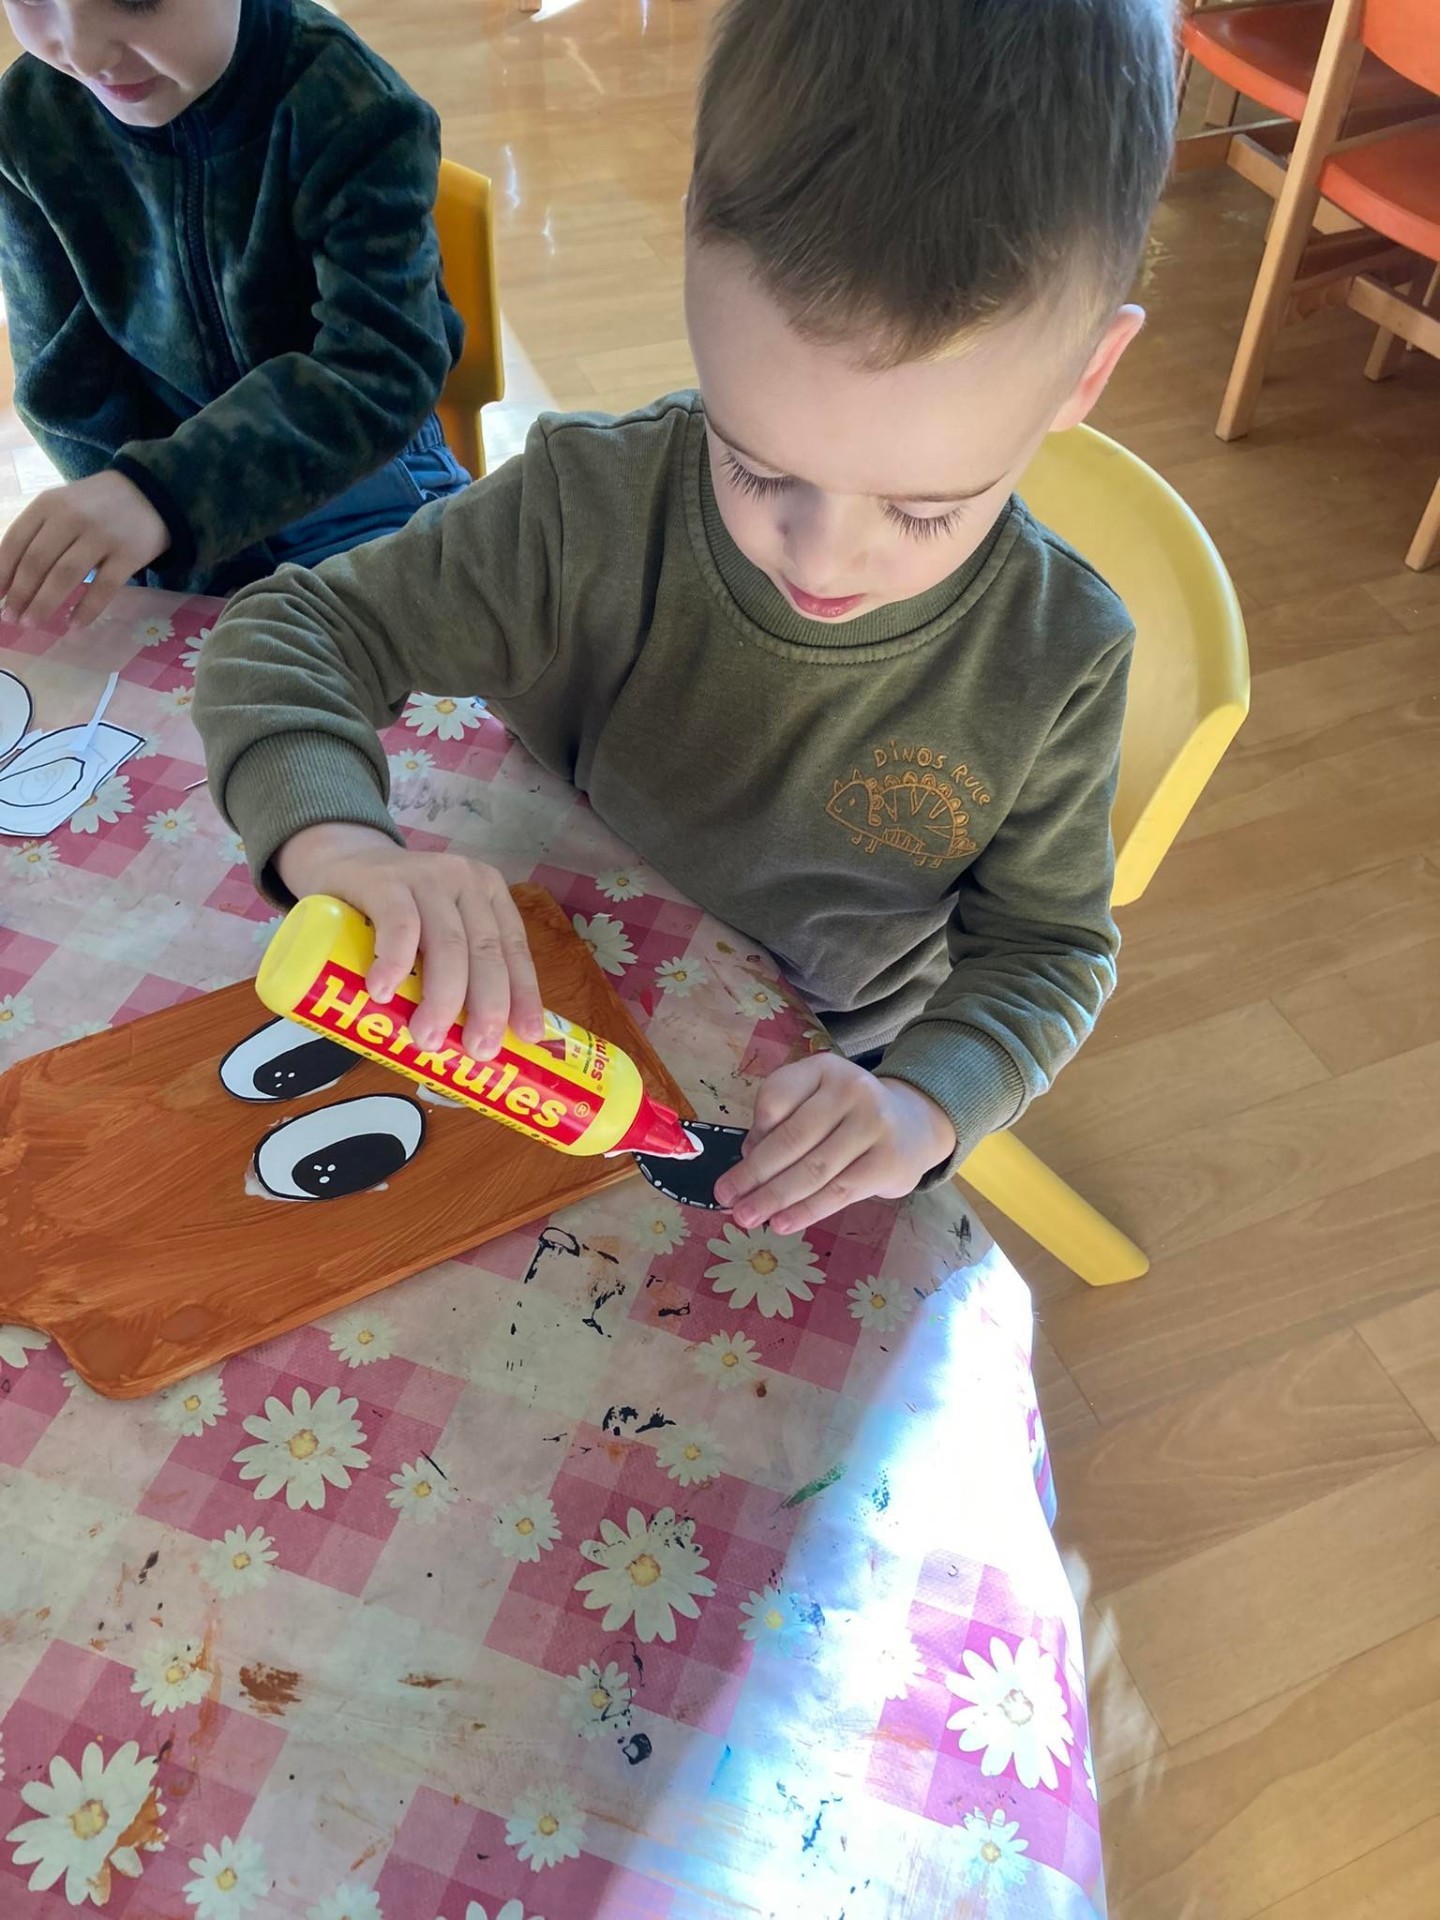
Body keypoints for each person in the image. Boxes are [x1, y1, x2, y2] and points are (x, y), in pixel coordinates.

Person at [196, 0, 1177, 1236]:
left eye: (923, 511)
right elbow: (291, 635)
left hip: (808, 1075)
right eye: (755, 465)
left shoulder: (1062, 656)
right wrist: (343, 849)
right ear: (693, 265)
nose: (821, 558)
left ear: (1087, 377)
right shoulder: (591, 503)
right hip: (543, 955)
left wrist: (927, 1103)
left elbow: (1047, 950)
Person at [0, 0, 468, 628]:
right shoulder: (26, 121)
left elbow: (384, 368)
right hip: (151, 501)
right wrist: (141, 506)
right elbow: (64, 385)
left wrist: (170, 494)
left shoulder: (354, 107)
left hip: (362, 479)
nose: (81, 54)